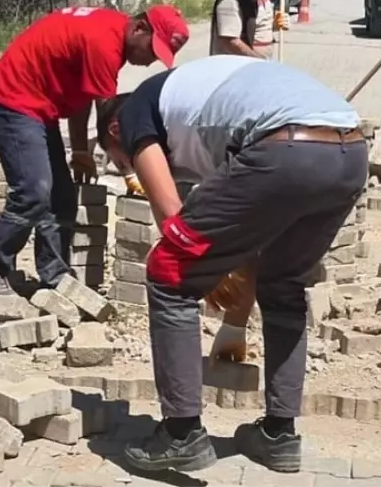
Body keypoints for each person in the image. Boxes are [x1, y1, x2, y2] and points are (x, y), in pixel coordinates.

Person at [95, 55, 366, 475]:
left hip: (285, 149)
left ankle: (181, 434)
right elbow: (254, 235)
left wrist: (200, 268)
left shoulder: (133, 112)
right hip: (349, 154)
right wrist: (233, 324)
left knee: (167, 273)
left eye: (122, 160)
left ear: (115, 132)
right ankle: (279, 436)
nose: (130, 167)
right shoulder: (198, 106)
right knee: (283, 284)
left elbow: (170, 218)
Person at [0, 4, 190, 300]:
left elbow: (82, 99)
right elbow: (108, 122)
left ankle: (54, 273)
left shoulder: (112, 31)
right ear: (139, 28)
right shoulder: (105, 44)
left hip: (38, 107)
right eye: (152, 50)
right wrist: (129, 169)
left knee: (61, 194)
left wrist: (79, 151)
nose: (150, 59)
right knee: (33, 191)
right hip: (12, 100)